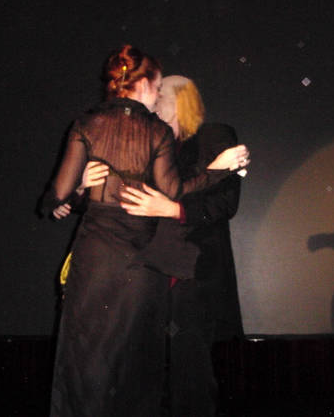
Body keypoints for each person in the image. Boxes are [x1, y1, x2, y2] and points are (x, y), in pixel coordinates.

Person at [41, 46, 248, 417]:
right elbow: (130, 194)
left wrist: (174, 208)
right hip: (139, 260)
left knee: (174, 369)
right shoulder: (150, 133)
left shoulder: (208, 135)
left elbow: (222, 204)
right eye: (157, 87)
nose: (157, 96)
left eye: (165, 92)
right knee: (126, 361)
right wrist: (79, 192)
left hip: (173, 269)